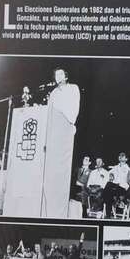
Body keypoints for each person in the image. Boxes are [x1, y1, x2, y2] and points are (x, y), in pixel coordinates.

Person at [42, 67, 81, 218]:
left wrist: (67, 120)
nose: (58, 77)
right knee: (53, 171)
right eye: (55, 75)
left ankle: (62, 206)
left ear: (66, 76)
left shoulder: (73, 88)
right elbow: (49, 114)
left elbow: (73, 110)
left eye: (60, 74)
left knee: (64, 170)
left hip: (66, 129)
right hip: (54, 134)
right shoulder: (53, 93)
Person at [102, 153, 130, 218]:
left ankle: (102, 199)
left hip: (122, 188)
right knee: (108, 192)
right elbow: (107, 174)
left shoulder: (128, 169)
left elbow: (128, 182)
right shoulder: (115, 167)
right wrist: (105, 175)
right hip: (114, 188)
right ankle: (108, 215)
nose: (120, 157)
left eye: (123, 156)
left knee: (108, 186)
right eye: (120, 156)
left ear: (126, 159)